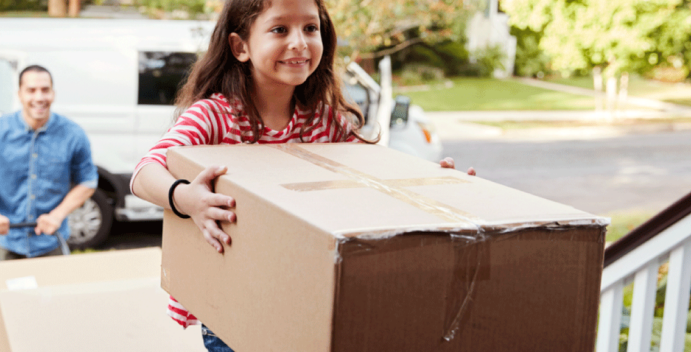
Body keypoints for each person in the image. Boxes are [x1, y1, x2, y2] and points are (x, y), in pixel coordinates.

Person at [128, 0, 476, 349]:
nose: (300, 42)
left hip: (302, 305)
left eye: (310, 28)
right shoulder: (215, 116)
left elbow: (376, 182)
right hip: (233, 313)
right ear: (240, 47)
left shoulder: (326, 121)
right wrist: (187, 199)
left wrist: (431, 183)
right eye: (280, 29)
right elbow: (144, 172)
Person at [0, 65, 98, 260]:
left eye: (45, 90)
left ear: (53, 93)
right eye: (31, 90)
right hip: (5, 241)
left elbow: (88, 181)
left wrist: (58, 215)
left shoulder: (73, 135)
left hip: (51, 240)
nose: (39, 97)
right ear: (19, 94)